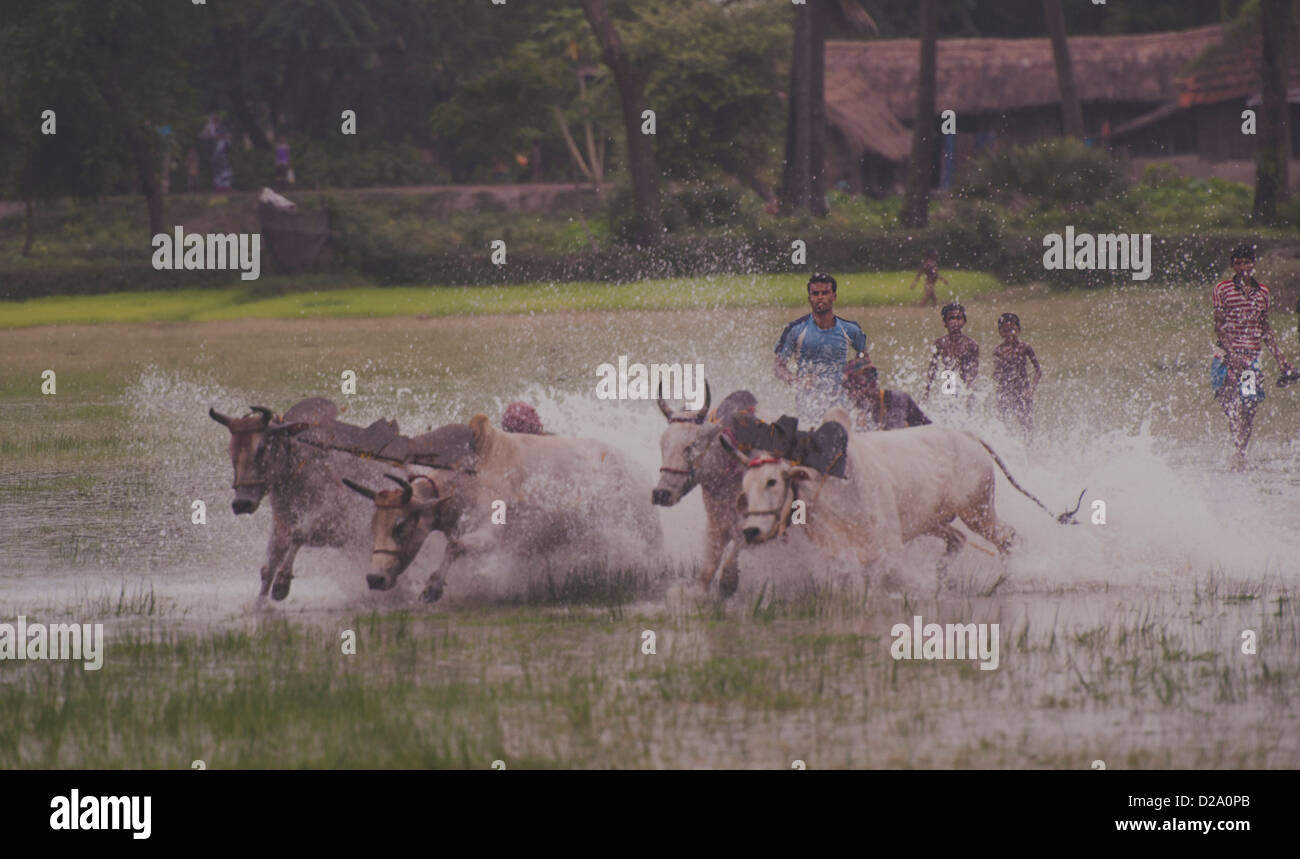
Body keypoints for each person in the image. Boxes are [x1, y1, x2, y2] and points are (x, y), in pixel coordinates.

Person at [1211, 244, 1296, 466]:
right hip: (1226, 356)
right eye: (1238, 263)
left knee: (1249, 405)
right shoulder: (1222, 289)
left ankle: (1240, 451)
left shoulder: (1262, 293)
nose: (1243, 267)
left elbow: (1264, 328)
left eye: (1247, 263)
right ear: (1233, 265)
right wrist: (1232, 355)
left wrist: (1281, 360)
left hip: (1250, 357)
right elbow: (1219, 326)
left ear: (1253, 264)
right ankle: (1236, 442)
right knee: (1228, 402)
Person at [774, 273, 869, 426]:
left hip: (841, 402)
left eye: (825, 293)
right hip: (808, 402)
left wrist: (852, 378)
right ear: (809, 298)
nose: (820, 297)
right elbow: (778, 366)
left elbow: (865, 361)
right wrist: (796, 381)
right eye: (815, 293)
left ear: (834, 296)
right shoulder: (795, 329)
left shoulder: (850, 330)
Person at [843, 358, 931, 431]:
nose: (852, 397)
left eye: (855, 390)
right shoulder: (862, 412)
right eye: (849, 391)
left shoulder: (896, 400)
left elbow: (894, 437)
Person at [993, 312, 1041, 440]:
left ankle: (1028, 448)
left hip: (1023, 389)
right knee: (1002, 421)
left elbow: (1038, 370)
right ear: (1000, 332)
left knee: (1026, 423)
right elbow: (996, 373)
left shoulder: (1025, 347)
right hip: (1005, 390)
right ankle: (1005, 444)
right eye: (1005, 330)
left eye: (1013, 329)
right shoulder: (998, 351)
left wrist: (1031, 389)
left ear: (1019, 330)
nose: (1009, 333)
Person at [925, 302, 979, 410]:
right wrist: (927, 390)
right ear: (945, 322)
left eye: (959, 318)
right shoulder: (940, 343)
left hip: (965, 384)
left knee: (967, 413)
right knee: (948, 411)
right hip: (948, 382)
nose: (955, 322)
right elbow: (933, 367)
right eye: (951, 318)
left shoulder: (971, 345)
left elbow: (974, 370)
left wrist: (970, 389)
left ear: (964, 321)